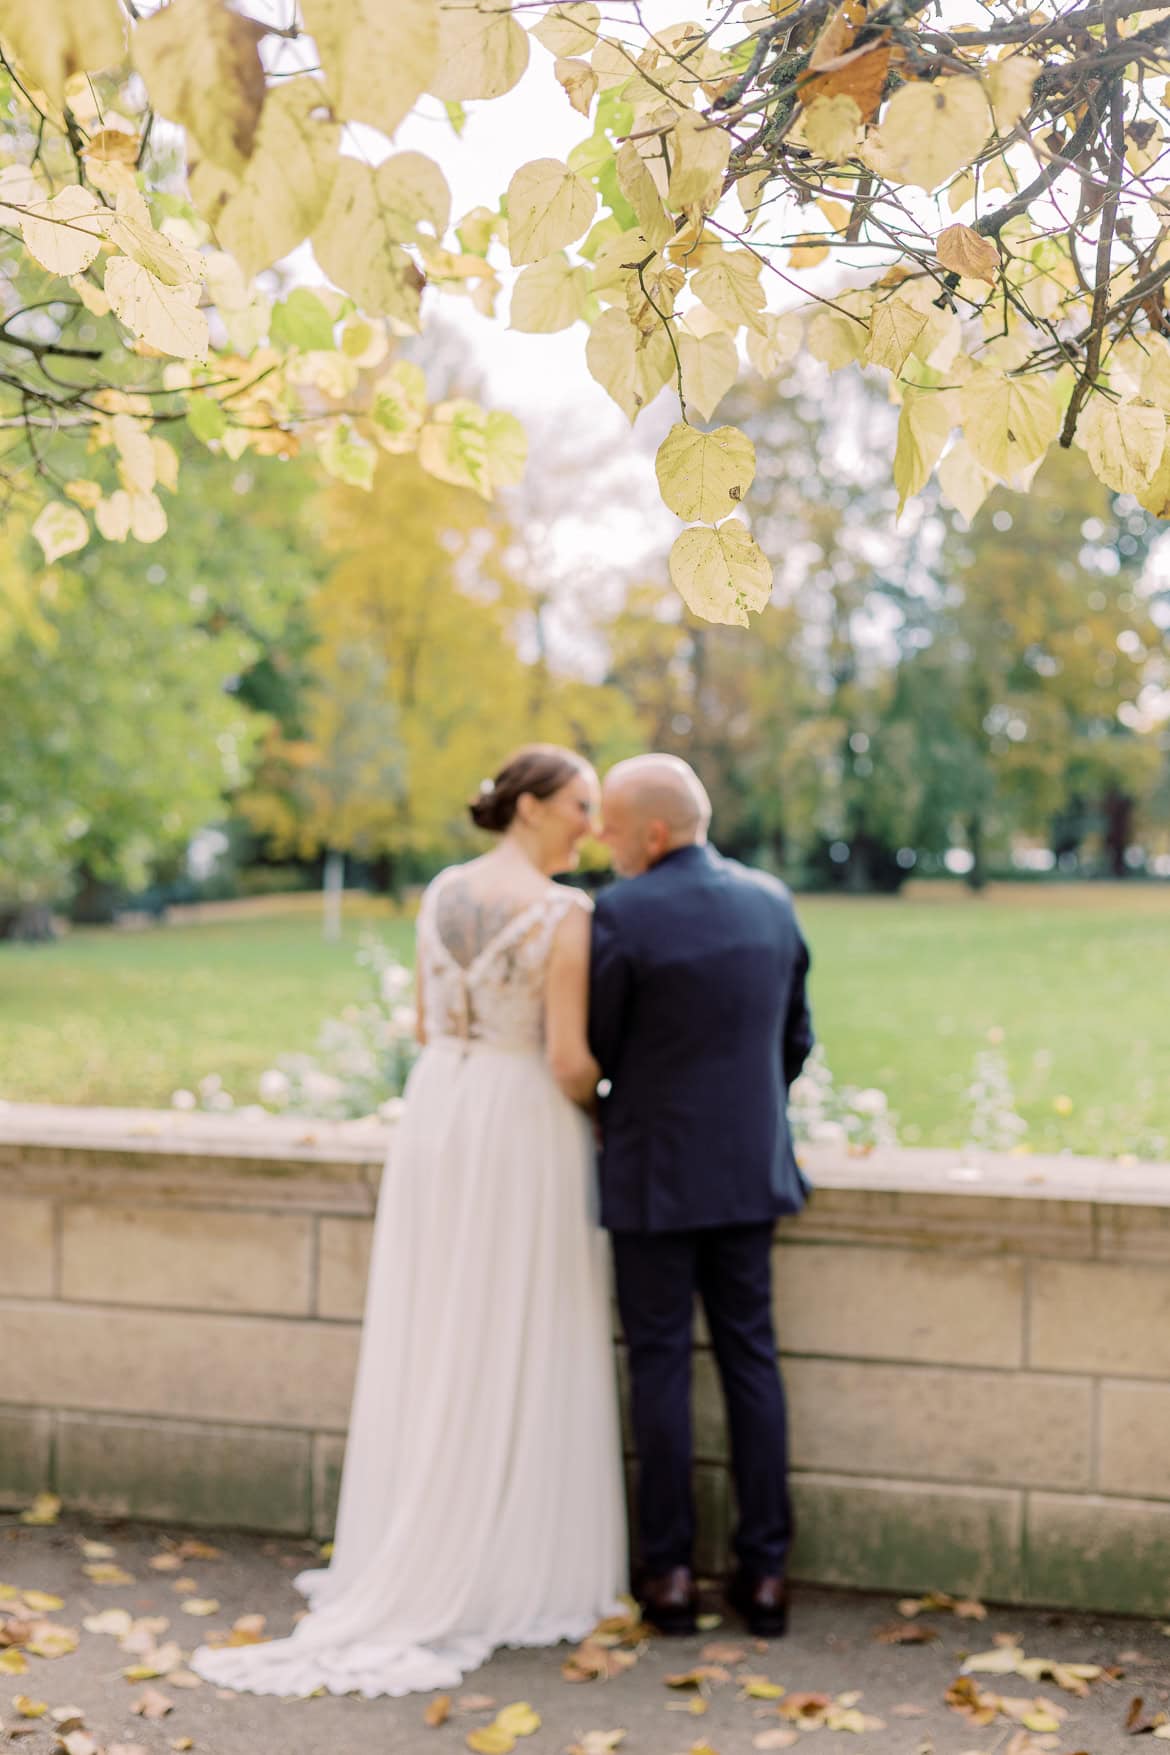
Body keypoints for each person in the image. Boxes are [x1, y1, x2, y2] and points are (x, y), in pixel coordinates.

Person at [191, 745, 626, 1698]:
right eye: (582, 804)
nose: (593, 824)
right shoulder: (566, 915)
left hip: (441, 1110)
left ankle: (422, 1524)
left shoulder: (440, 894)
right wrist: (611, 1106)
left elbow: (430, 1026)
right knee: (520, 1314)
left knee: (441, 1315)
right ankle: (507, 1551)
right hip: (521, 1117)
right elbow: (565, 1059)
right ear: (533, 806)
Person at [589, 754, 813, 1639]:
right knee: (752, 1360)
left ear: (652, 831)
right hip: (749, 1166)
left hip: (653, 1170)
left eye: (609, 822)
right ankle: (764, 1576)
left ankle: (671, 1574)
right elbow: (795, 1039)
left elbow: (598, 1044)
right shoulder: (772, 901)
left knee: (660, 1367)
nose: (601, 838)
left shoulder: (623, 911)